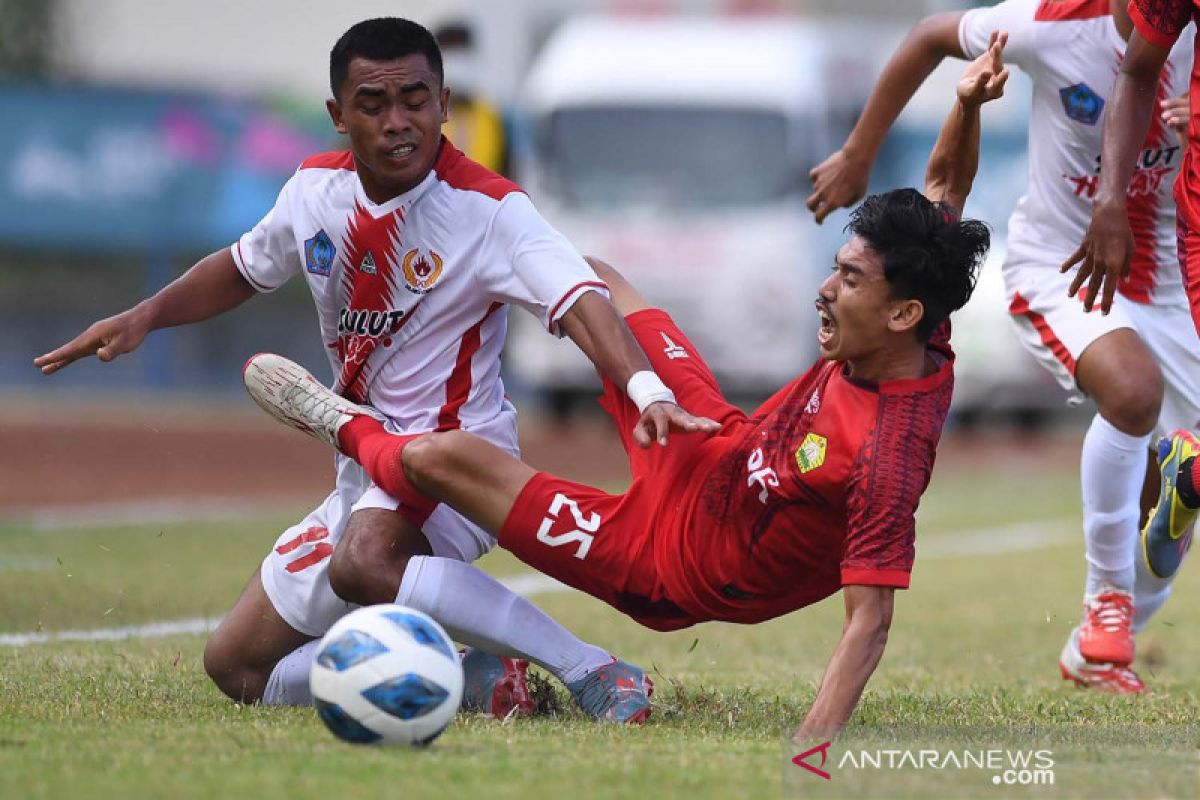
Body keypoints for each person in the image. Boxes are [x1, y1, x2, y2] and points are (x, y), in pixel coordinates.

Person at [239, 40, 1005, 738]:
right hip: (711, 439)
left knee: (438, 458)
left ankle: (340, 422)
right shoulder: (919, 322)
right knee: (592, 277)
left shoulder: (887, 455)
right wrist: (966, 104)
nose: (823, 292)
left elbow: (869, 622)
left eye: (848, 281)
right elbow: (945, 184)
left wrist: (809, 748)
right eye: (835, 270)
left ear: (902, 313)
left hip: (670, 558)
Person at [33, 17, 717, 723]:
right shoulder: (312, 194)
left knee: (362, 563)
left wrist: (645, 389)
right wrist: (143, 316)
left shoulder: (492, 211)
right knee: (237, 668)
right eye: (373, 104)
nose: (399, 122)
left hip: (455, 463)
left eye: (416, 99)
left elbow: (580, 298)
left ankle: (596, 671)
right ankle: (471, 679)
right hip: (362, 468)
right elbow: (243, 267)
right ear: (338, 115)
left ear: (444, 102)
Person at [806, 0, 1200, 693]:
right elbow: (929, 35)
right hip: (1063, 263)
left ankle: (1101, 643)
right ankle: (1105, 602)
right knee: (1134, 393)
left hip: (1171, 276)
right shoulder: (1051, 23)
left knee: (1178, 488)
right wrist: (859, 151)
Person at [1068, 0, 1200, 650]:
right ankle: (1107, 615)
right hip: (1190, 232)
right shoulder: (1050, 26)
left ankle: (1191, 476)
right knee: (1133, 393)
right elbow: (1138, 69)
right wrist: (1111, 198)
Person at [434, 21, 510, 176]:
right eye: (452, 55)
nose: (458, 65)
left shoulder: (493, 116)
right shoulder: (425, 117)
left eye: (462, 55)